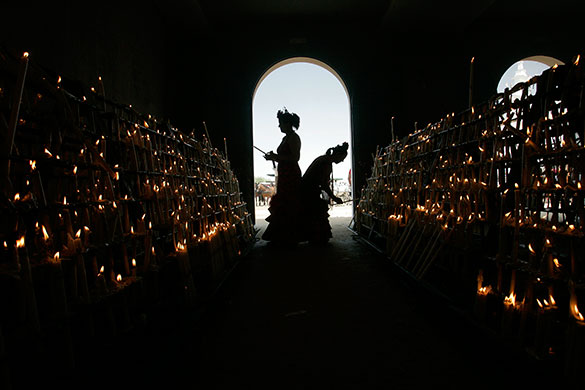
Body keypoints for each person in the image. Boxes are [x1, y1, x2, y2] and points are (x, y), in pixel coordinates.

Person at [262, 108, 302, 245]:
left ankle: (289, 235)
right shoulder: (286, 138)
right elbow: (284, 157)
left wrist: (275, 156)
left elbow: (295, 158)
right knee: (284, 201)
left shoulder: (294, 138)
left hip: (291, 174)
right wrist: (273, 157)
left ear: (287, 124)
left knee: (288, 202)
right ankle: (283, 234)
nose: (279, 126)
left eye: (280, 123)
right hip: (285, 174)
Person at [300, 142, 349, 244]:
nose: (342, 161)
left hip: (307, 189)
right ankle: (317, 237)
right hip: (308, 190)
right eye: (342, 158)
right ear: (337, 155)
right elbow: (323, 184)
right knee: (317, 212)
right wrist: (334, 197)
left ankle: (313, 236)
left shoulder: (323, 159)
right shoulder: (326, 163)